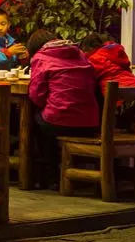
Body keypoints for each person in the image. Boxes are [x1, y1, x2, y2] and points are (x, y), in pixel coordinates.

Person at [27, 30, 100, 187]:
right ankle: (68, 172)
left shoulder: (41, 57)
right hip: (90, 122)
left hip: (60, 122)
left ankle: (49, 175)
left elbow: (36, 96)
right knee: (47, 119)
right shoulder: (79, 53)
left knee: (36, 121)